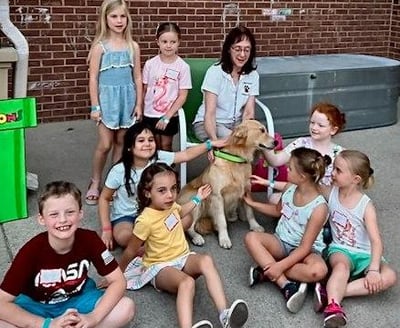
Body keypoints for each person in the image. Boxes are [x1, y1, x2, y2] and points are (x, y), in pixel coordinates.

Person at [119, 162, 249, 328]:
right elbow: (131, 250)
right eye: (162, 190)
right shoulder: (145, 220)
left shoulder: (171, 205)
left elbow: (180, 211)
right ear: (147, 193)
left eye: (173, 188)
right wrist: (117, 275)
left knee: (206, 260)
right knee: (187, 283)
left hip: (182, 257)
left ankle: (225, 315)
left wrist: (197, 198)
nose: (170, 195)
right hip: (159, 267)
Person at [0, 181, 135, 328]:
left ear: (80, 213)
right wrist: (46, 324)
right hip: (37, 306)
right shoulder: (30, 251)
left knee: (126, 307)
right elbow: (2, 302)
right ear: (41, 219)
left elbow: (118, 281)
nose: (63, 219)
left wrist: (93, 318)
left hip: (79, 300)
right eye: (54, 214)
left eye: (70, 212)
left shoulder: (90, 240)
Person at [98, 121, 226, 250]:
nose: (147, 144)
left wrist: (210, 144)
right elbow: (104, 198)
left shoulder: (158, 157)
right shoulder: (119, 170)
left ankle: (151, 244)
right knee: (124, 236)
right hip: (127, 217)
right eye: (141, 140)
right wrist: (106, 229)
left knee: (186, 220)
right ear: (130, 147)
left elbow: (186, 155)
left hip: (158, 213)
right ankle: (159, 241)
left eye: (151, 140)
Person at [314, 150, 397, 327]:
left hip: (365, 253)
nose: (332, 173)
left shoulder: (366, 206)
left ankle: (330, 293)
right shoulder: (331, 193)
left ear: (356, 179)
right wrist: (270, 183)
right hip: (341, 249)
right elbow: (306, 185)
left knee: (389, 276)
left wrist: (374, 270)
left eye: (338, 170)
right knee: (341, 267)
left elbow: (376, 241)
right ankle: (333, 307)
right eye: (333, 168)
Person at [243, 147, 331, 314]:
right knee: (251, 238)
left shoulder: (319, 207)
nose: (286, 170)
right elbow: (277, 211)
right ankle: (286, 285)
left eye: (289, 168)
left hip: (306, 251)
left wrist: (279, 266)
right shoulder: (290, 188)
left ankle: (267, 270)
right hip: (281, 242)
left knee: (319, 271)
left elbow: (305, 247)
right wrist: (253, 204)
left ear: (303, 177)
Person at [86, 0, 143, 206]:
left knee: (121, 143)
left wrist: (138, 104)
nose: (119, 21)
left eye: (122, 16)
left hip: (127, 101)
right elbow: (93, 78)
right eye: (114, 16)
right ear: (106, 19)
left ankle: (114, 183)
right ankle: (95, 181)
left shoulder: (132, 47)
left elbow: (137, 77)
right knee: (105, 144)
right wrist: (95, 106)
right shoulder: (100, 48)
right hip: (106, 102)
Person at [192, 25, 259, 141]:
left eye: (247, 50)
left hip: (237, 125)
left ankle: (280, 158)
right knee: (237, 141)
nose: (242, 55)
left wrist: (247, 132)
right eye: (237, 49)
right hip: (210, 124)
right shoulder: (215, 72)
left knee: (259, 140)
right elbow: (210, 113)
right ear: (229, 49)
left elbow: (249, 113)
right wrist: (214, 141)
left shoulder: (253, 76)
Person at [262, 102, 346, 191]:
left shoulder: (340, 153)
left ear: (333, 130)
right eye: (312, 122)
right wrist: (263, 143)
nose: (314, 127)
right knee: (274, 199)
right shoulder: (301, 143)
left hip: (324, 198)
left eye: (320, 125)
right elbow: (276, 161)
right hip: (300, 194)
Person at [141, 22, 191, 151]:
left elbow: (182, 95)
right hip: (150, 113)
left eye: (173, 42)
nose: (168, 46)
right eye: (164, 42)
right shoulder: (150, 64)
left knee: (165, 145)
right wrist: (140, 110)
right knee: (152, 145)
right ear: (157, 41)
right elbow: (144, 89)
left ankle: (166, 169)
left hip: (170, 114)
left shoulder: (183, 67)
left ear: (179, 42)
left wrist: (167, 116)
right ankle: (152, 170)